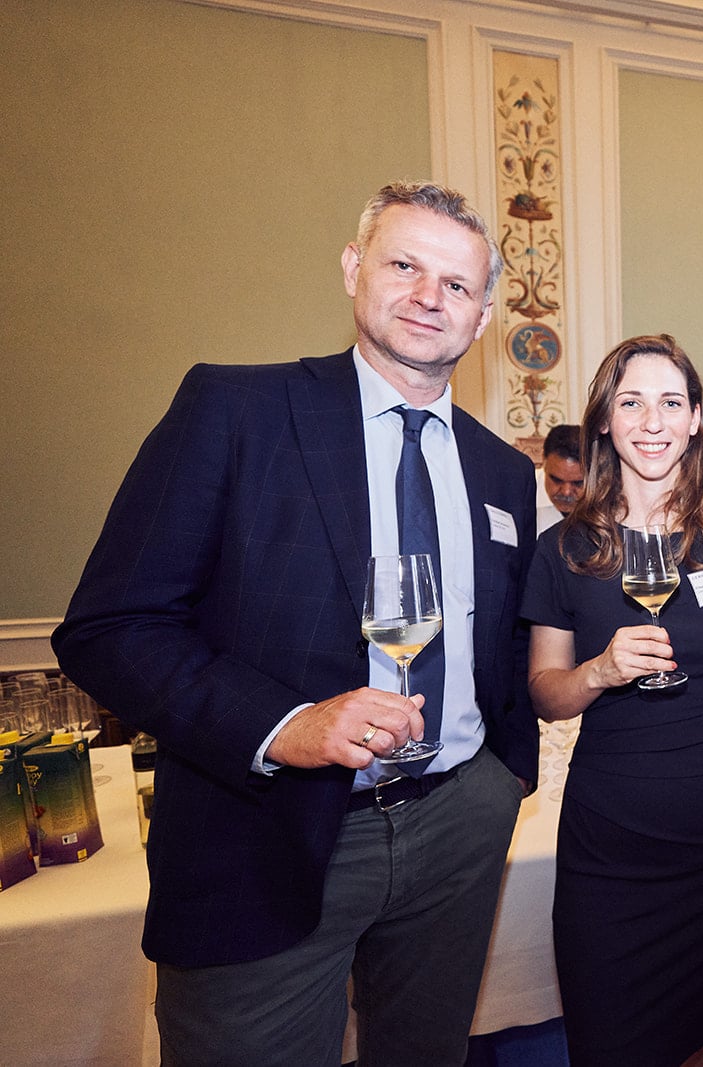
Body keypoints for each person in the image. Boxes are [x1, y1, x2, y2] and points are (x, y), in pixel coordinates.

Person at [52, 182, 541, 1066]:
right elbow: (111, 625)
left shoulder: (502, 471)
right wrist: (287, 726)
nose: (429, 296)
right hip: (265, 829)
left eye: (457, 284)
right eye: (404, 265)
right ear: (354, 269)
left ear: (482, 315)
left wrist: (501, 780)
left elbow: (502, 638)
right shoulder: (236, 411)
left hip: (457, 825)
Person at [523, 333, 703, 1067]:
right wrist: (600, 671)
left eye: (671, 403)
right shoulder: (564, 550)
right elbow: (547, 694)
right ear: (604, 421)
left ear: (696, 417)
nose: (653, 422)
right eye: (632, 403)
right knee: (607, 1041)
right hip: (609, 853)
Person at [535, 422, 584, 534]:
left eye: (578, 483)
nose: (566, 492)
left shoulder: (612, 498)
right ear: (544, 461)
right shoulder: (519, 494)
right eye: (556, 480)